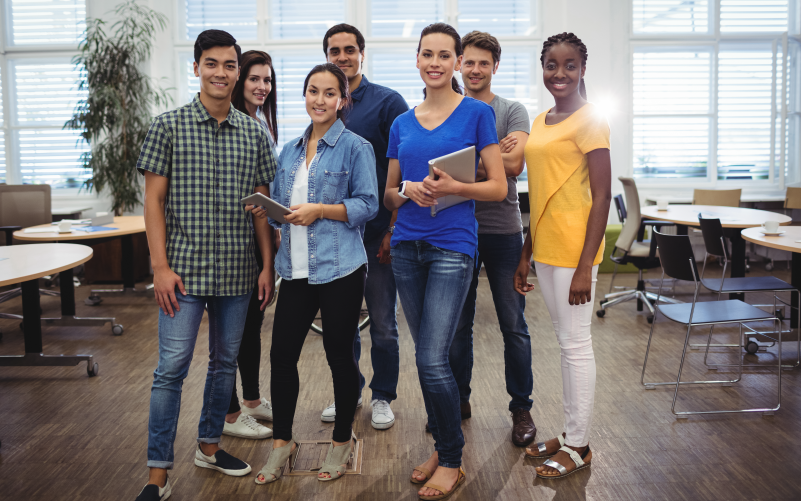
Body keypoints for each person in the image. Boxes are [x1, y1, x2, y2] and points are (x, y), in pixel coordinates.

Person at [134, 30, 276, 501]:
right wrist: (159, 266)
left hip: (237, 272)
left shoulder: (255, 132)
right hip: (182, 274)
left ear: (238, 71)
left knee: (223, 366)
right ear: (196, 68)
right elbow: (153, 203)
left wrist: (267, 264)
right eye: (211, 63)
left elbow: (261, 207)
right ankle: (158, 474)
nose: (221, 72)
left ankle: (210, 447)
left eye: (229, 64)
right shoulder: (168, 126)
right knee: (170, 369)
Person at [384, 23, 506, 500]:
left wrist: (455, 188)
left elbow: (496, 186)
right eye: (426, 54)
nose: (435, 62)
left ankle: (451, 457)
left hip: (453, 245)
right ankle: (441, 446)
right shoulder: (402, 123)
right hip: (406, 247)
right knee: (427, 355)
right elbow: (389, 195)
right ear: (417, 60)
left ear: (457, 63)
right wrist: (405, 190)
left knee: (433, 358)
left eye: (444, 55)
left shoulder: (476, 113)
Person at [253, 63, 378, 484]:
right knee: (281, 357)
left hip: (341, 268)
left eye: (329, 93)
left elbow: (368, 204)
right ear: (303, 96)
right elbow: (282, 214)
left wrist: (320, 210)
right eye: (312, 91)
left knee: (339, 357)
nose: (319, 100)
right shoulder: (287, 151)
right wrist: (268, 211)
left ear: (343, 100)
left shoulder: (356, 147)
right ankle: (281, 443)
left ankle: (342, 441)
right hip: (296, 270)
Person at [515, 32, 611, 479]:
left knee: (576, 346)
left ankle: (579, 445)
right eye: (552, 65)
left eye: (569, 65)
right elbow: (539, 194)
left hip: (576, 253)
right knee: (564, 344)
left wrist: (585, 267)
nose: (560, 73)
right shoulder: (540, 120)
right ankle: (572, 432)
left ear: (582, 69)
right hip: (545, 248)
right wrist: (525, 252)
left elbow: (603, 193)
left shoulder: (592, 120)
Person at [447, 30, 536, 447]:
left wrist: (471, 164)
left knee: (513, 325)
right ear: (459, 64)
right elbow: (437, 169)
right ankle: (458, 402)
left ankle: (521, 408)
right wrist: (490, 158)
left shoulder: (512, 110)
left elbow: (515, 164)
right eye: (470, 62)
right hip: (456, 230)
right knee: (457, 327)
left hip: (502, 232)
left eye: (485, 63)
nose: (476, 69)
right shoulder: (447, 109)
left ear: (495, 67)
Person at [321, 23, 409, 430]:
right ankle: (350, 391)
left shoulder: (388, 102)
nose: (342, 57)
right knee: (340, 326)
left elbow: (403, 171)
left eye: (349, 49)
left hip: (377, 235)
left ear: (361, 53)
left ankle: (382, 395)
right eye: (335, 50)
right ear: (327, 56)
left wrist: (392, 229)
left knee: (383, 324)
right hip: (337, 235)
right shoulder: (325, 103)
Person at [220, 50, 280, 441]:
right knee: (227, 334)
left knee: (252, 325)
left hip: (256, 239)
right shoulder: (229, 125)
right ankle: (227, 413)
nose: (261, 86)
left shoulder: (259, 126)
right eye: (254, 79)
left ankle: (253, 400)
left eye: (267, 80)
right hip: (229, 242)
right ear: (240, 80)